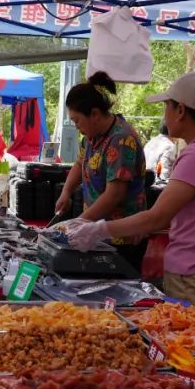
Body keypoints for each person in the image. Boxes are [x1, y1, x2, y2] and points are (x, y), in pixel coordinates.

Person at [66, 73, 195, 313]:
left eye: (166, 106)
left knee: (193, 346)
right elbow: (187, 215)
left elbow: (156, 216)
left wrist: (98, 229)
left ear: (180, 110)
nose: (163, 113)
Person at [54, 72, 148, 271]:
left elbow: (115, 195)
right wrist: (66, 191)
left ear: (95, 114)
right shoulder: (91, 136)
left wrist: (78, 223)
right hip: (95, 231)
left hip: (122, 239)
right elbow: (80, 163)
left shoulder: (121, 139)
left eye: (78, 120)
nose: (77, 127)